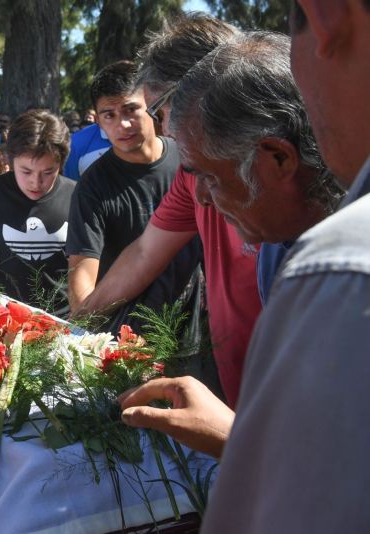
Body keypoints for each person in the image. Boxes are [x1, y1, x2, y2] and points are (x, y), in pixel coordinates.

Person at [121, 8, 370, 528]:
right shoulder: (279, 251)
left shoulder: (335, 273)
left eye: (208, 179)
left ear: (278, 159)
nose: (204, 203)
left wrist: (236, 440)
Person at [72, 13, 257, 406]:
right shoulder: (192, 175)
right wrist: (79, 324)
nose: (165, 127)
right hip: (229, 379)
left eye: (161, 108)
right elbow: (143, 253)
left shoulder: (279, 172)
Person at [65, 60, 202, 335]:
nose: (122, 124)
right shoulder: (93, 186)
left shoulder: (190, 157)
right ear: (97, 119)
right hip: (132, 333)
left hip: (200, 321)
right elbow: (82, 270)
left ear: (151, 105)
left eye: (130, 109)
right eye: (109, 115)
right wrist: (81, 331)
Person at [0, 110, 75, 313]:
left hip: (58, 317)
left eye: (48, 172)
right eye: (26, 171)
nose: (35, 182)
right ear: (9, 161)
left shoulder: (75, 195)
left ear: (61, 164)